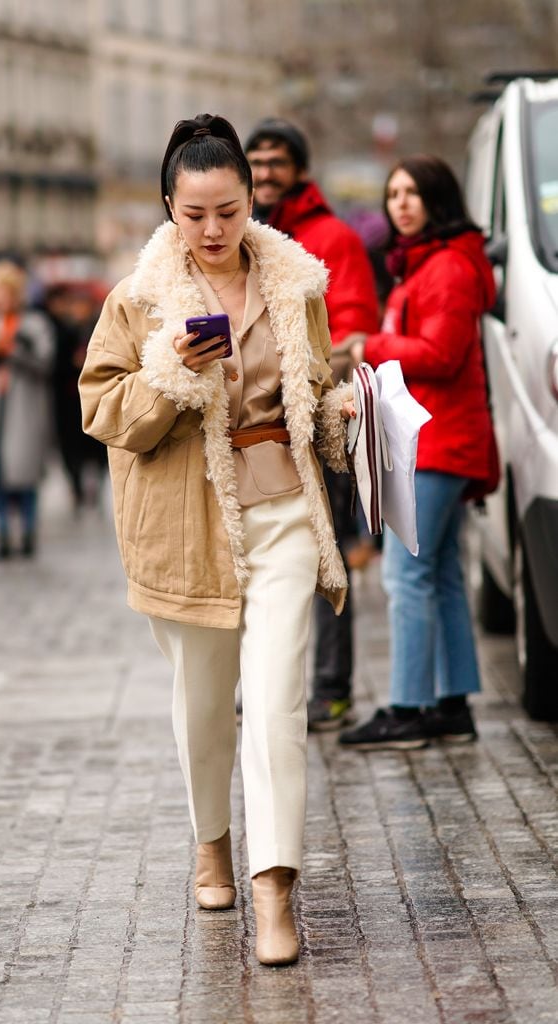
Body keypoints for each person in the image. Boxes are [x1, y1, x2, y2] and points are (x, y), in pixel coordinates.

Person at [78, 114, 355, 965]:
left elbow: (316, 383)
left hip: (282, 516)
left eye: (228, 211)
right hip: (188, 524)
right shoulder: (138, 300)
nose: (212, 231)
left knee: (276, 703)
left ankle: (275, 886)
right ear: (169, 206)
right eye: (194, 214)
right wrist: (170, 370)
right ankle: (212, 842)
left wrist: (343, 411)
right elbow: (101, 410)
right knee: (204, 707)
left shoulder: (296, 284)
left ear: (251, 202)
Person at [339, 154, 497, 751]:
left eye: (413, 192)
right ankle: (452, 705)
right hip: (436, 437)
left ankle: (408, 708)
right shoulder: (426, 264)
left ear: (438, 198)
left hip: (438, 441)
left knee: (407, 574)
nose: (400, 203)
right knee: (443, 573)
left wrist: (369, 343)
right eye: (393, 193)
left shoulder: (448, 267)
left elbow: (442, 353)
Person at [244, 117, 380, 732]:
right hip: (251, 429)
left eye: (277, 161)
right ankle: (269, 689)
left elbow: (353, 328)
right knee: (257, 556)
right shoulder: (239, 236)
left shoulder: (332, 236)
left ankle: (330, 690)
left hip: (315, 420)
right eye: (258, 161)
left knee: (326, 558)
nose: (267, 172)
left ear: (300, 169)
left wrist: (310, 379)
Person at [0, 261, 55, 560]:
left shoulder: (35, 326)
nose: (1, 298)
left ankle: (28, 535)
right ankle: (3, 535)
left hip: (24, 410)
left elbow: (45, 362)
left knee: (24, 476)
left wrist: (13, 351)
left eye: (7, 292)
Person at [45, 282, 109, 512]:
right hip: (68, 401)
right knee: (70, 448)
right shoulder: (64, 331)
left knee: (96, 447)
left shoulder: (99, 330)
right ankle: (76, 486)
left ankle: (95, 485)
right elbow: (53, 365)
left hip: (94, 400)